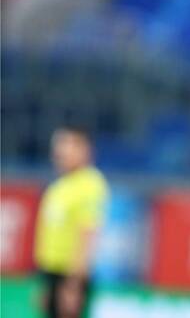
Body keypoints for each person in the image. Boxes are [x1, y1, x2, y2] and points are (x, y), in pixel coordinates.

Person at [34, 126, 109, 318]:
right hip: (51, 273)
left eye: (68, 145)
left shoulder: (90, 184)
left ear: (84, 150)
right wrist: (44, 283)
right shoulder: (59, 185)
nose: (60, 152)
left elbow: (88, 235)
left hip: (69, 275)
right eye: (58, 145)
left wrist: (74, 285)